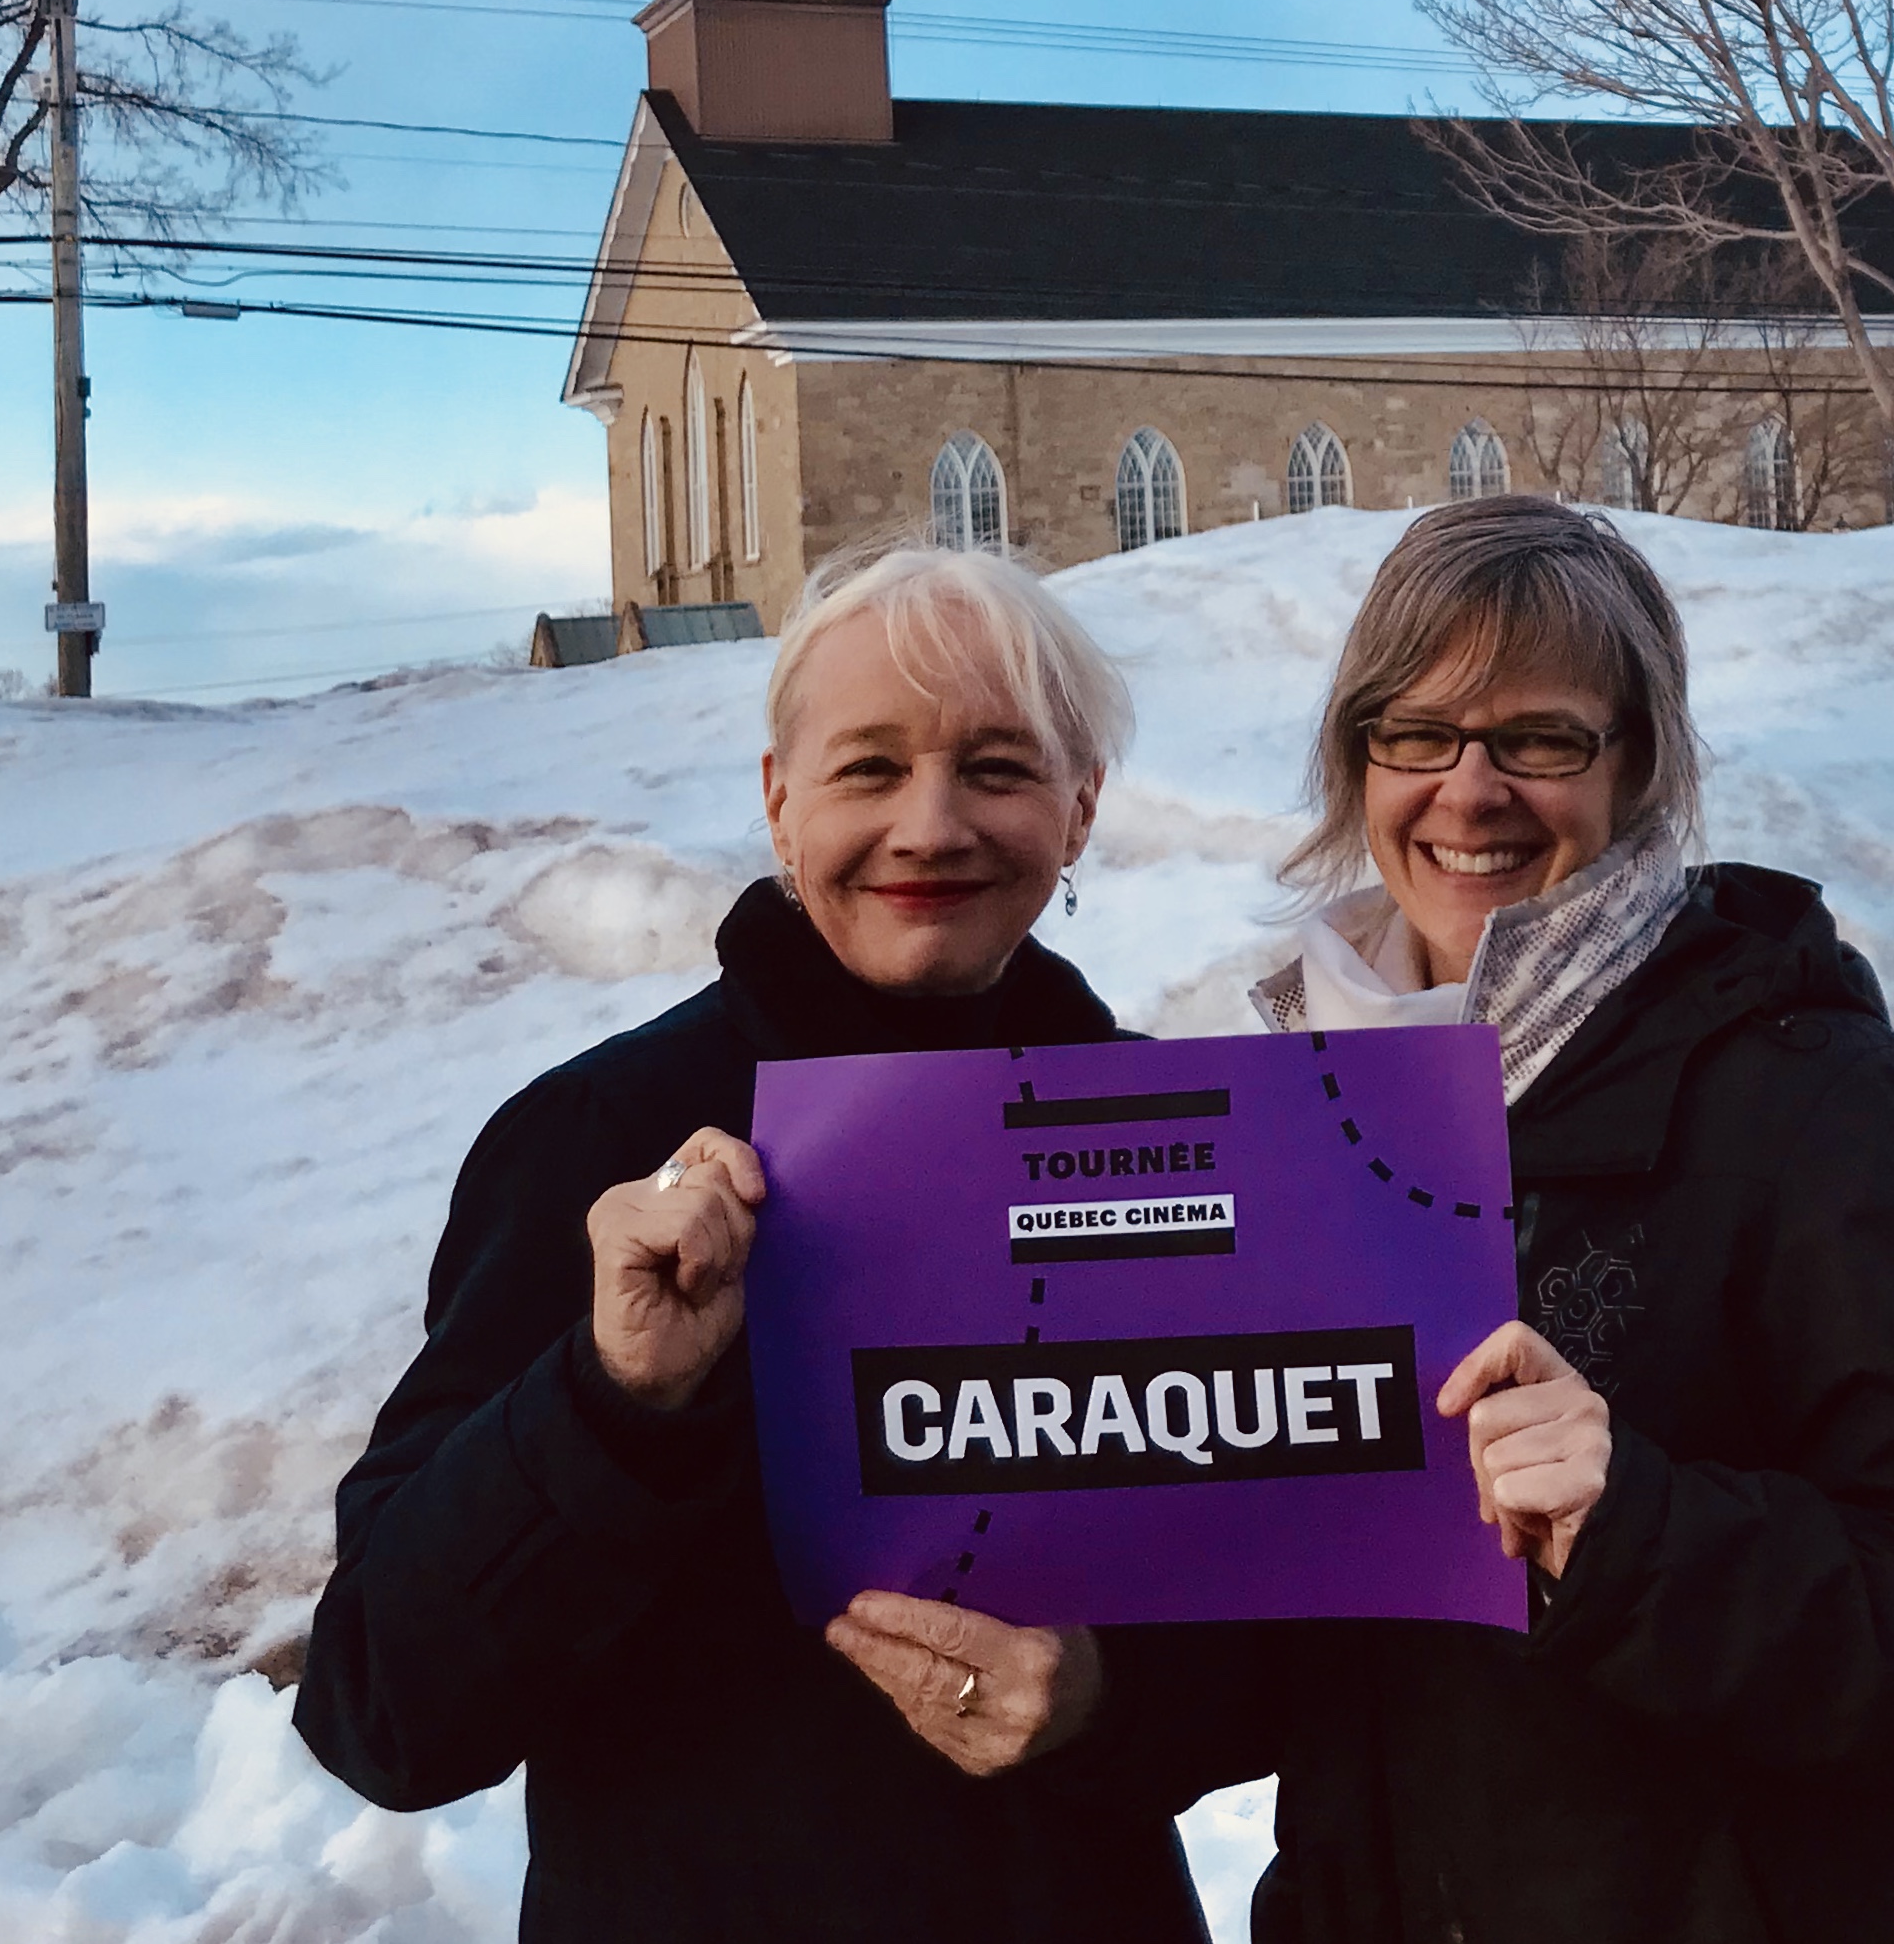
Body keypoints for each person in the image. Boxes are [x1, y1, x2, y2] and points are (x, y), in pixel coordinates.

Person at [1106, 495, 1894, 1941]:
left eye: (1542, 739)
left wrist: (1632, 1529)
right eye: (1420, 733)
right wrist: (1093, 1681)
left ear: (1634, 767)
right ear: (1358, 758)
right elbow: (1323, 1651)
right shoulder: (1307, 1115)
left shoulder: (1812, 1099)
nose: (1471, 789)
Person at [294, 542, 1214, 1944]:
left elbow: (1270, 1618)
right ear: (779, 803)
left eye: (999, 767)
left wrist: (1109, 1697)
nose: (931, 825)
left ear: (1080, 809)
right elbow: (383, 1707)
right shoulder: (602, 1138)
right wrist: (613, 1401)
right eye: (869, 768)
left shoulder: (1175, 1146)